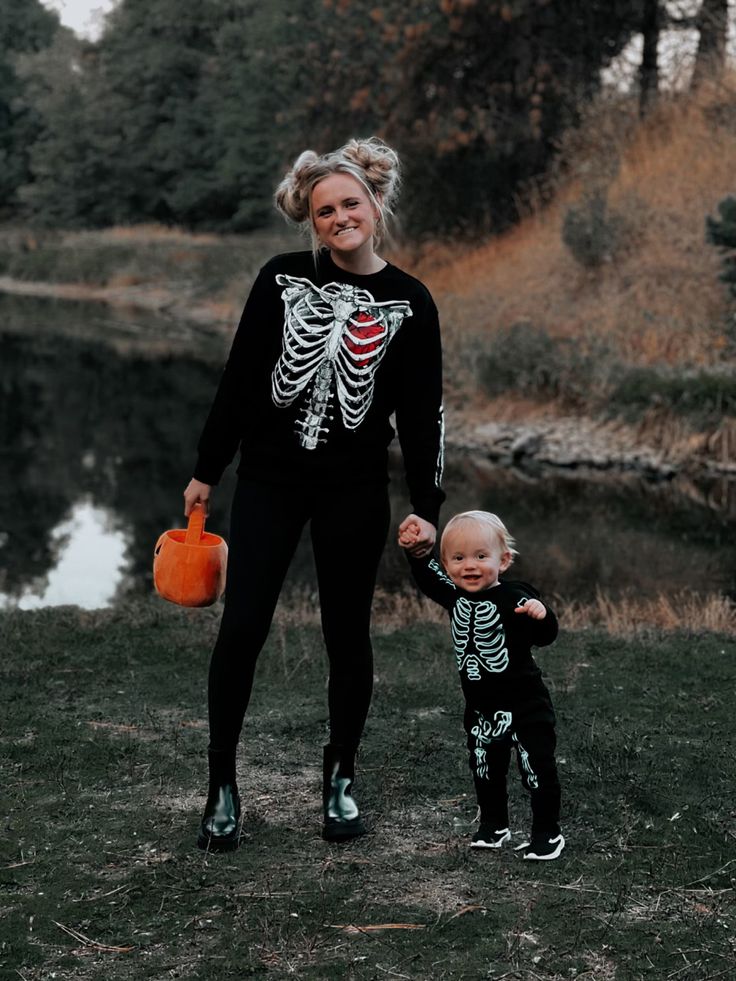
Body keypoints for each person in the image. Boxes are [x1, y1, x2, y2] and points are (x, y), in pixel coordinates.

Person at [184, 137, 445, 851]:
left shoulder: (411, 302)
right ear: (312, 219)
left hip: (354, 488)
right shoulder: (278, 280)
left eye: (350, 204)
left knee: (346, 635)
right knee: (241, 629)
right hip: (269, 479)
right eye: (325, 210)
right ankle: (222, 786)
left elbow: (423, 416)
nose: (338, 218)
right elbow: (240, 381)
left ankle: (340, 779)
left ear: (376, 206)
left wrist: (428, 504)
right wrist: (208, 468)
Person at [399, 510, 564, 860]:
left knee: (537, 769)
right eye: (458, 558)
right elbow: (426, 576)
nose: (469, 566)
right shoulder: (455, 597)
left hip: (525, 705)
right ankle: (494, 825)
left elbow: (546, 636)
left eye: (480, 556)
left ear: (503, 561)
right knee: (484, 768)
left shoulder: (516, 596)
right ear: (447, 564)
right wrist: (416, 551)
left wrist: (542, 614)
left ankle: (547, 833)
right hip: (481, 708)